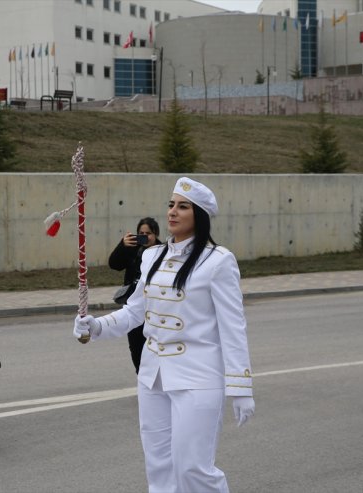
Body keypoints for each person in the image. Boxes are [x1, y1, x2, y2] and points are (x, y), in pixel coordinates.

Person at [74, 177, 255, 493]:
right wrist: (97, 326)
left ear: (199, 215)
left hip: (198, 376)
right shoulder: (151, 257)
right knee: (159, 469)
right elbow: (134, 312)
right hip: (153, 375)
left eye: (182, 206)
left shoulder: (218, 261)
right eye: (171, 205)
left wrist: (240, 386)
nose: (173, 212)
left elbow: (233, 326)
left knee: (193, 469)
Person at [108, 217, 162, 373]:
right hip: (134, 306)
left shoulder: (163, 251)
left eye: (148, 233)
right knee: (135, 346)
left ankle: (156, 381)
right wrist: (122, 245)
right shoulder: (132, 249)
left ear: (156, 234)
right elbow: (114, 264)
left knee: (153, 346)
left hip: (154, 308)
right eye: (141, 233)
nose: (145, 237)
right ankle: (142, 377)